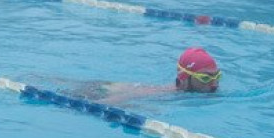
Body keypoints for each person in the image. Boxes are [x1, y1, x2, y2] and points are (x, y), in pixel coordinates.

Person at [61, 47, 224, 103]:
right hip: (98, 92)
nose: (214, 84)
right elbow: (111, 102)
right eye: (205, 78)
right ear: (184, 78)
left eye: (217, 76)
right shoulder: (161, 93)